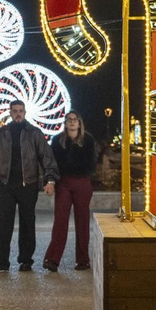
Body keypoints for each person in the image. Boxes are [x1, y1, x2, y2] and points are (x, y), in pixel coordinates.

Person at [0, 100, 58, 271]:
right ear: (10, 113)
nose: (18, 113)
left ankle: (26, 260)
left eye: (21, 111)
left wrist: (50, 179)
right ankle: (1, 260)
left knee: (27, 223)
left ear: (25, 112)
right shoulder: (2, 133)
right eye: (15, 111)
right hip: (6, 184)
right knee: (4, 223)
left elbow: (46, 157)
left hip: (29, 184)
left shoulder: (34, 133)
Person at [43, 111, 97, 272]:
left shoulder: (88, 140)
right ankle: (53, 259)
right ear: (65, 123)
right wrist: (50, 181)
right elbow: (52, 163)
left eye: (75, 120)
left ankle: (83, 260)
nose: (72, 122)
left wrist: (74, 168)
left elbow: (91, 164)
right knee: (60, 220)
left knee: (82, 221)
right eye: (69, 120)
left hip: (82, 182)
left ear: (80, 123)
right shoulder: (58, 141)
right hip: (64, 183)